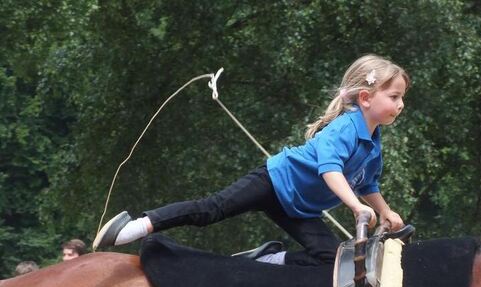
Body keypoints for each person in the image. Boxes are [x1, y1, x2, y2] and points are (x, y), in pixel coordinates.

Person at [94, 54, 409, 266]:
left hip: (298, 209)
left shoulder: (373, 142)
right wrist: (356, 208)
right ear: (366, 98)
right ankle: (136, 226)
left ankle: (268, 260)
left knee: (331, 260)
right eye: (394, 97)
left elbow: (367, 182)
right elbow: (330, 170)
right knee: (210, 210)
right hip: (273, 182)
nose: (400, 104)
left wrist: (384, 210)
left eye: (401, 97)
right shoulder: (345, 129)